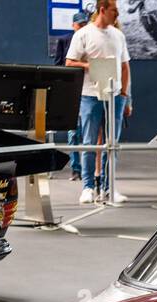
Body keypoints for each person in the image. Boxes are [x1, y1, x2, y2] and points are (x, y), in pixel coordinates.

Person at [66, 0, 132, 205]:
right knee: (89, 142)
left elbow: (125, 66)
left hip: (115, 97)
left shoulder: (118, 35)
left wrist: (124, 95)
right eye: (114, 11)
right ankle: (88, 187)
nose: (117, 15)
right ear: (102, 10)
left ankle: (108, 187)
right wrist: (91, 65)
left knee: (112, 144)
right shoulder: (83, 34)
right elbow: (69, 62)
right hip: (90, 95)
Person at [54, 10, 90, 181]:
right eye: (80, 24)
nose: (82, 27)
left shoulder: (91, 40)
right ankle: (76, 169)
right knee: (73, 133)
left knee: (88, 134)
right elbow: (58, 66)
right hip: (71, 93)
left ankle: (88, 172)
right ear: (73, 25)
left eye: (85, 24)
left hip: (89, 91)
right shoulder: (64, 40)